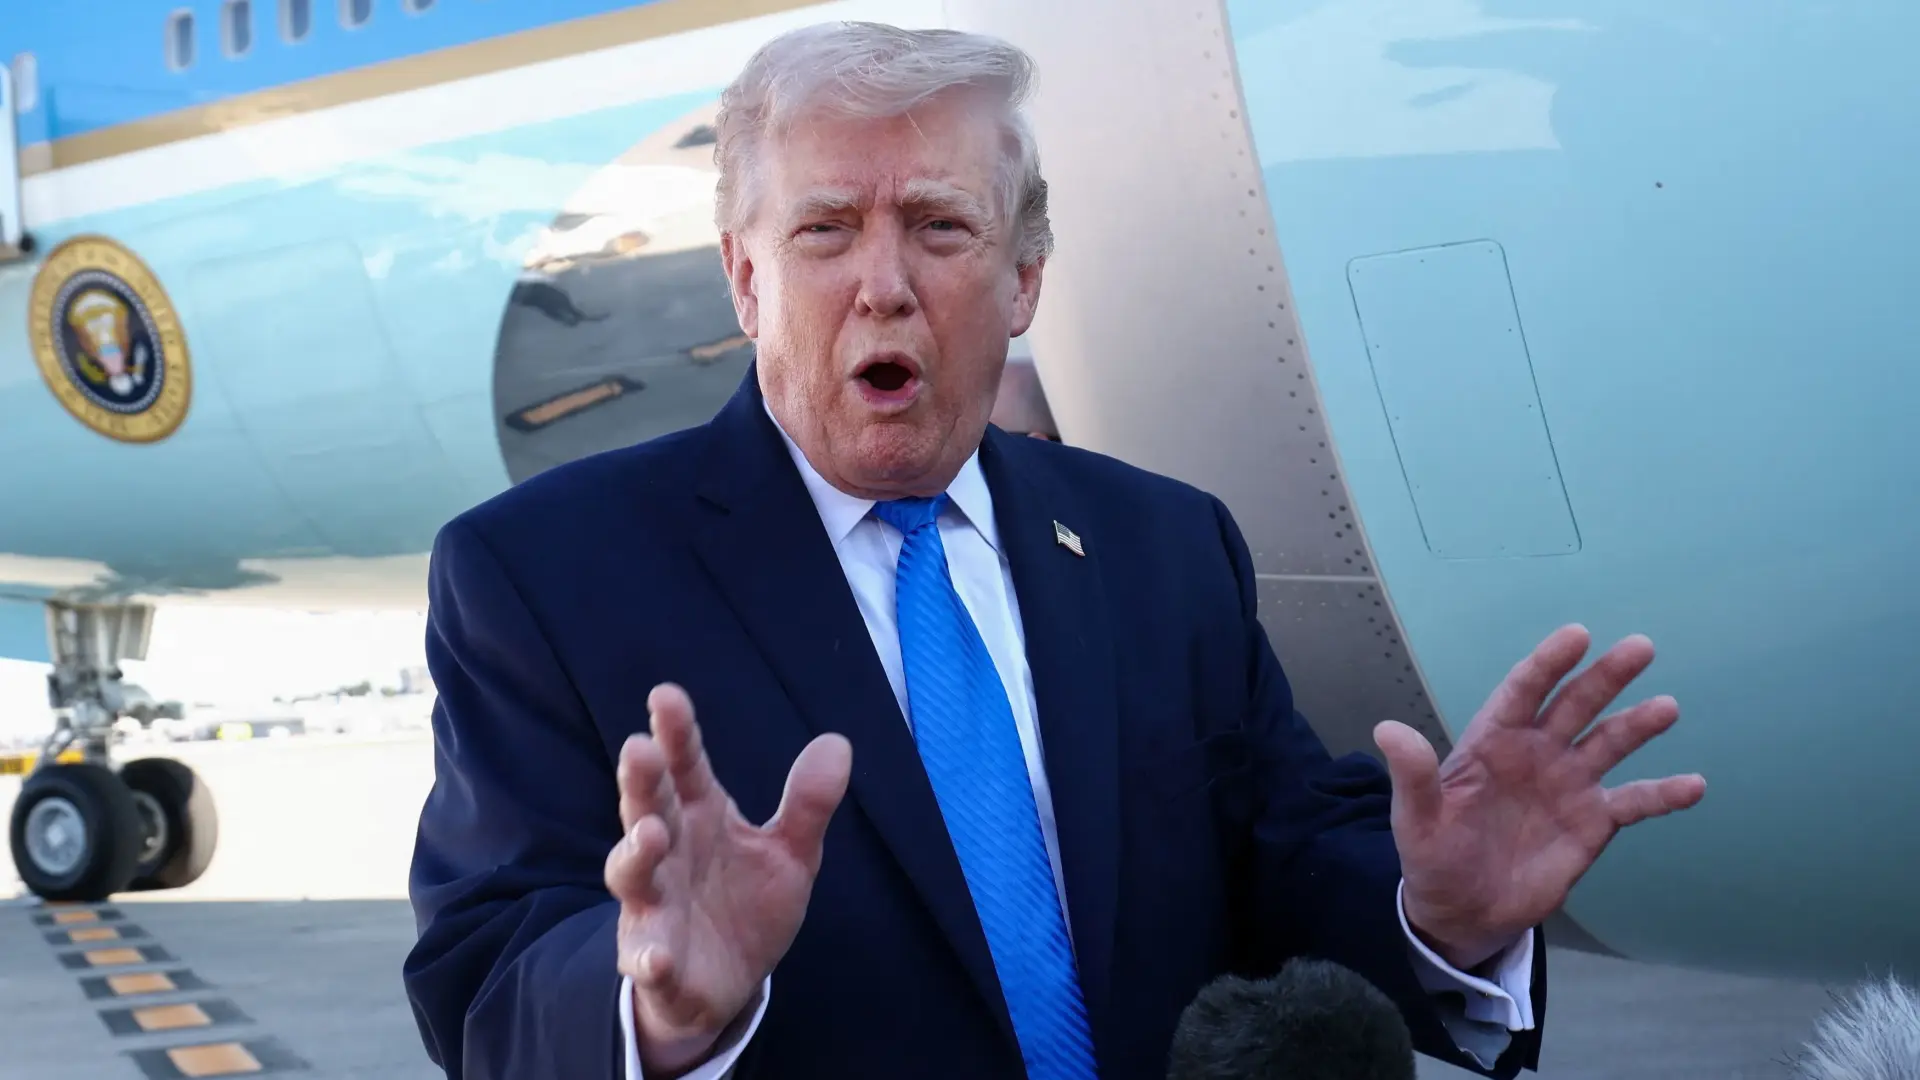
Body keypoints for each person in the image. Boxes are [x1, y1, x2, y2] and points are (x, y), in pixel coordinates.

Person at [403, 21, 1706, 1080]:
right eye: (824, 230)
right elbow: (486, 982)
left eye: (941, 226)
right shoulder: (543, 578)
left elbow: (1281, 872)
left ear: (1024, 279)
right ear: (745, 279)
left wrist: (1439, 915)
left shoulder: (1163, 545)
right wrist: (654, 1006)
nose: (884, 283)